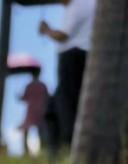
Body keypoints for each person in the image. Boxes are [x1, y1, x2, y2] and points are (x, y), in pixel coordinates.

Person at [39, 0, 97, 147]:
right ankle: (61, 147)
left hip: (72, 58)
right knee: (59, 106)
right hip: (81, 56)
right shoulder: (88, 4)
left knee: (65, 106)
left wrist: (46, 30)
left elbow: (63, 35)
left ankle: (68, 144)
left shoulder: (78, 5)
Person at [18, 69, 49, 154]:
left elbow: (24, 98)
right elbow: (48, 97)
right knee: (41, 132)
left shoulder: (29, 85)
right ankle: (43, 150)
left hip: (31, 111)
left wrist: (18, 97)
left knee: (26, 131)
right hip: (41, 110)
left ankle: (26, 151)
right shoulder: (43, 85)